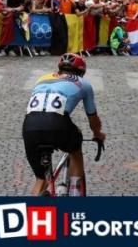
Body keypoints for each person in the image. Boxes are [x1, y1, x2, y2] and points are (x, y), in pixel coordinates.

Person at [22, 53, 105, 196]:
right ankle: (75, 192)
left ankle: (33, 213)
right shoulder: (83, 83)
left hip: (30, 126)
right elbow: (92, 118)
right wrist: (98, 134)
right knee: (75, 149)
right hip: (58, 125)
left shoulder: (41, 79)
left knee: (41, 179)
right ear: (82, 71)